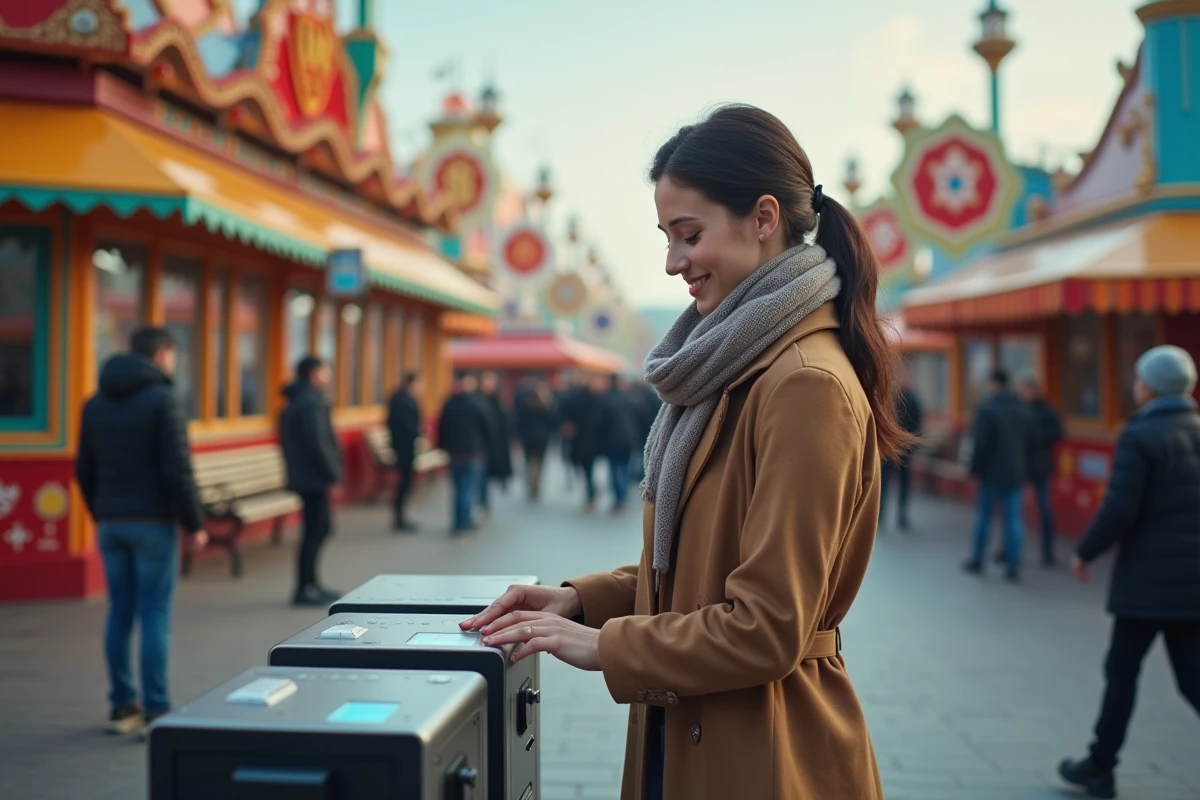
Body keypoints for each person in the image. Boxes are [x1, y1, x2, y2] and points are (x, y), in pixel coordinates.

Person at [461, 104, 913, 800]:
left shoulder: (802, 384)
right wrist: (580, 603)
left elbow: (767, 627)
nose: (674, 263)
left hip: (767, 749)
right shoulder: (732, 364)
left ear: (764, 218)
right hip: (699, 729)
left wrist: (602, 647)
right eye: (667, 238)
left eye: (689, 235)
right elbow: (700, 569)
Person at [1058, 346, 1200, 799]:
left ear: (1150, 385)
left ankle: (1100, 767)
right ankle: (1098, 763)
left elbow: (1120, 507)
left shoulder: (1141, 435)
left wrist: (1085, 552)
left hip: (1146, 584)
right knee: (1192, 677)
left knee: (1121, 672)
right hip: (1192, 583)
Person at [75, 327, 207, 735]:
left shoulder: (94, 403)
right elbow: (176, 469)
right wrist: (195, 523)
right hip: (152, 524)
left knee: (120, 614)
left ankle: (121, 706)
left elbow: (84, 469)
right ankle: (155, 708)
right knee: (154, 614)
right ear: (162, 354)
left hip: (112, 522)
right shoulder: (162, 401)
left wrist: (102, 513)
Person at [279, 356, 343, 607]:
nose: (329, 376)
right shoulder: (310, 402)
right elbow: (318, 443)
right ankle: (305, 587)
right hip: (313, 478)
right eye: (326, 371)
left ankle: (311, 584)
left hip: (307, 475)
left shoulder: (302, 400)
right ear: (314, 373)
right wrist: (332, 475)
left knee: (318, 529)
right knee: (315, 530)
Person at [963, 368, 1035, 582]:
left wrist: (974, 469)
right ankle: (1013, 565)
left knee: (984, 517)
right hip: (1016, 473)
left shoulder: (987, 409)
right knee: (1013, 520)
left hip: (991, 474)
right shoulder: (1022, 409)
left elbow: (980, 444)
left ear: (994, 384)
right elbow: (1031, 443)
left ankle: (978, 559)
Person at [437, 373, 491, 532]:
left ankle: (457, 521)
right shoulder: (478, 404)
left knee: (457, 488)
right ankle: (465, 521)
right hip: (474, 452)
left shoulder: (449, 404)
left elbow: (442, 428)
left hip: (454, 453)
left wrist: (443, 447)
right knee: (468, 487)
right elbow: (488, 428)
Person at [1019, 378, 1063, 565]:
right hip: (1021, 465)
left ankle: (1047, 551)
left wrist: (1037, 438)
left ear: (1034, 391)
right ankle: (1010, 550)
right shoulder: (1019, 409)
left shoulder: (1046, 411)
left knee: (1044, 508)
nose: (1024, 394)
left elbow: (1058, 433)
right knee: (1014, 510)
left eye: (1027, 390)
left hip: (1040, 465)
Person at [879, 379, 922, 530]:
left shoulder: (887, 400)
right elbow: (917, 425)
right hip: (903, 448)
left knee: (885, 483)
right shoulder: (911, 400)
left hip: (890, 448)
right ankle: (901, 515)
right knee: (902, 483)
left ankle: (881, 516)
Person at [597, 373, 641, 512]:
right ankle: (622, 495)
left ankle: (619, 497)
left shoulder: (606, 400)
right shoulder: (629, 399)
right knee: (624, 468)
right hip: (629, 440)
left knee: (614, 469)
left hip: (612, 441)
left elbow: (600, 423)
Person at [386, 372, 424, 532]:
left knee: (406, 481)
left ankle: (400, 515)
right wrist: (418, 434)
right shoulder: (404, 401)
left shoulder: (399, 399)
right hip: (404, 446)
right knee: (405, 481)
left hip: (401, 445)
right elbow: (407, 426)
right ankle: (399, 517)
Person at [475, 370, 512, 514]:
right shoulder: (477, 401)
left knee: (486, 476)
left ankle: (484, 501)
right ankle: (480, 502)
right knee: (480, 476)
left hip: (492, 446)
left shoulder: (498, 402)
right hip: (479, 446)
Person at [516, 380, 557, 501]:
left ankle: (531, 483)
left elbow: (519, 423)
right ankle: (536, 485)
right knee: (539, 464)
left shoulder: (525, 406)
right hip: (541, 439)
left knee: (530, 463)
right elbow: (553, 422)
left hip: (528, 439)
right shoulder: (547, 406)